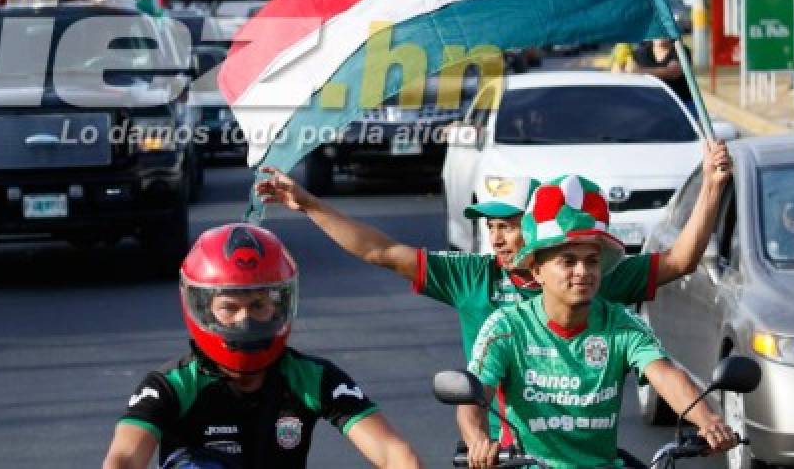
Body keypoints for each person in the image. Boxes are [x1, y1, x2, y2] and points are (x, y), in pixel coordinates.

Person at [255, 141, 732, 445]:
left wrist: (712, 185)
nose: (498, 239)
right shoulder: (478, 282)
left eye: (510, 226)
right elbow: (383, 251)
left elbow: (679, 264)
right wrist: (312, 206)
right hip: (503, 453)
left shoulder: (596, 285)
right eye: (491, 227)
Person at [461, 176, 737, 468]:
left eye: (591, 261)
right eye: (567, 261)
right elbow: (473, 399)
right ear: (537, 270)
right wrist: (478, 440)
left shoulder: (620, 324)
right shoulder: (505, 328)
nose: (583, 271)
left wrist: (707, 420)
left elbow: (665, 374)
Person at [102, 223, 423, 469]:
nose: (246, 320)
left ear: (281, 305)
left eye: (258, 305)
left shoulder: (311, 377)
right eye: (230, 308)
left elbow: (394, 453)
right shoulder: (171, 385)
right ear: (201, 308)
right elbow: (123, 460)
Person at [631, 38, 693, 108]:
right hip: (649, 104)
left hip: (680, 104)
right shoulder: (640, 52)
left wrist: (639, 71)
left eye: (662, 31)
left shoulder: (681, 50)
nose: (660, 36)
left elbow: (673, 73)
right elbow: (628, 72)